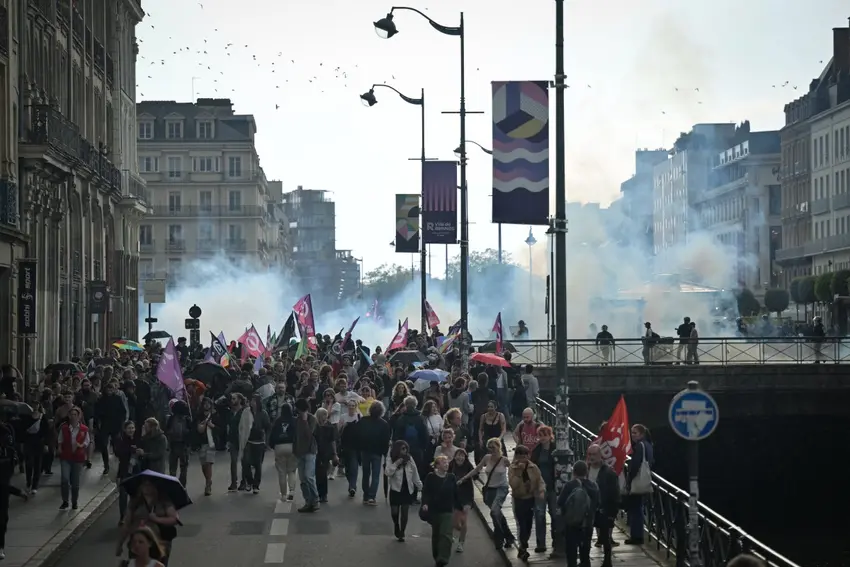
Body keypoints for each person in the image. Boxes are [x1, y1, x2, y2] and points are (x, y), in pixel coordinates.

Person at [117, 479, 179, 565]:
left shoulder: (163, 500)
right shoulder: (135, 502)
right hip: (137, 542)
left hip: (158, 543)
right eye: (144, 485)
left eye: (149, 485)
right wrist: (120, 544)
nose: (146, 487)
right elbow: (126, 524)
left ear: (154, 486)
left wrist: (156, 519)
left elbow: (174, 519)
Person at [557, 460, 599, 567]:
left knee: (571, 551)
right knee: (585, 551)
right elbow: (598, 503)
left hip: (571, 523)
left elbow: (560, 502)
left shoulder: (569, 485)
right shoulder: (593, 486)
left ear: (574, 472)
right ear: (587, 472)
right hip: (587, 523)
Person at [508, 444, 545, 560]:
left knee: (529, 524)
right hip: (518, 499)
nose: (523, 458)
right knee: (521, 524)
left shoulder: (533, 467)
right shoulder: (513, 468)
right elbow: (513, 485)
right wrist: (519, 472)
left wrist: (541, 490)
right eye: (520, 456)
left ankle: (524, 543)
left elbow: (540, 480)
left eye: (525, 455)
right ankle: (523, 546)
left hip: (530, 498)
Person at [422, 455, 458, 567]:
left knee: (446, 534)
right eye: (443, 462)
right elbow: (426, 491)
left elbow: (455, 493)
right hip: (434, 510)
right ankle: (437, 555)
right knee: (437, 535)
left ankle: (443, 558)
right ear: (437, 465)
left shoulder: (451, 477)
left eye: (447, 462)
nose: (446, 464)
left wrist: (461, 507)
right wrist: (425, 503)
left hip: (447, 510)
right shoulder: (431, 477)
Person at [385, 440, 422, 541]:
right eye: (402, 449)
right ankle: (396, 525)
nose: (404, 451)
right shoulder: (391, 458)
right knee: (395, 511)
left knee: (405, 512)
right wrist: (397, 463)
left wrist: (420, 486)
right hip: (395, 489)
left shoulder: (409, 459)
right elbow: (387, 472)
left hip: (407, 489)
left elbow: (415, 473)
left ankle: (402, 532)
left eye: (406, 449)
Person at [57, 406, 90, 510]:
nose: (73, 417)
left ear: (79, 416)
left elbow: (87, 441)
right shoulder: (64, 428)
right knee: (65, 479)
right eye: (71, 414)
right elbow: (60, 439)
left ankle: (74, 501)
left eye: (75, 415)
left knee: (75, 483)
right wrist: (59, 448)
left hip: (78, 457)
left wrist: (81, 445)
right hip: (66, 456)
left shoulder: (84, 429)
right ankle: (65, 501)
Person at [293, 398, 319, 513]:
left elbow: (309, 435)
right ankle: (308, 501)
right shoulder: (297, 420)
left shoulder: (312, 419)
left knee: (309, 476)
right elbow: (295, 436)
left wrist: (304, 421)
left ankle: (315, 499)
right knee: (303, 479)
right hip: (300, 452)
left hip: (310, 451)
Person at [269, 402, 297, 501]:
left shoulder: (278, 421)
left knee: (282, 472)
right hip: (291, 446)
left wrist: (272, 446)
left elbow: (272, 435)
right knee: (291, 470)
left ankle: (284, 495)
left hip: (279, 446)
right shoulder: (294, 420)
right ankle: (292, 491)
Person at [448, 448, 474, 552]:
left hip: (467, 495)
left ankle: (461, 543)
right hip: (454, 496)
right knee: (455, 523)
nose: (460, 457)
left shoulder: (468, 465)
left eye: (462, 455)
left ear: (465, 457)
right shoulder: (451, 465)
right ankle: (457, 532)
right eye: (458, 455)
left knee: (464, 519)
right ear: (454, 456)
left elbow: (475, 474)